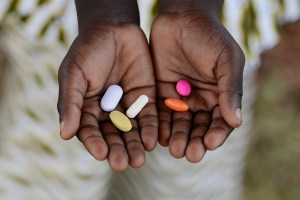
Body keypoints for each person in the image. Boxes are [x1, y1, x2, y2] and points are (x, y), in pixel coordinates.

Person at [0, 0, 299, 199]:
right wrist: (108, 15)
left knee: (185, 182)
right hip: (71, 23)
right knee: (50, 174)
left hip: (205, 36)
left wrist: (189, 7)